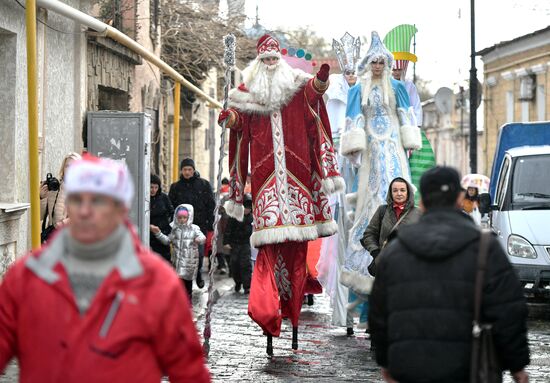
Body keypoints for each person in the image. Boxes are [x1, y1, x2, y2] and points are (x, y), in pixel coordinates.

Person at [0, 154, 210, 382]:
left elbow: (188, 370)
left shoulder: (156, 282)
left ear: (121, 208)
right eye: (80, 199)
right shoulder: (28, 276)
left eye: (101, 201)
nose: (89, 211)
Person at [218, 34, 343, 351]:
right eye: (266, 60)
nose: (271, 64)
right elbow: (239, 123)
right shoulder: (248, 94)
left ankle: (294, 318)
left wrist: (323, 79)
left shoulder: (297, 87)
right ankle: (266, 313)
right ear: (259, 64)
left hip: (298, 183)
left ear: (281, 61)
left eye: (275, 59)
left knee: (297, 258)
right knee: (269, 257)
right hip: (266, 186)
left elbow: (314, 93)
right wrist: (230, 117)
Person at [369, 166, 530, 383]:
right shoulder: (485, 248)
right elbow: (508, 310)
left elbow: (379, 313)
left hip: (410, 366)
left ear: (423, 203)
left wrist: (385, 361)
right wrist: (517, 365)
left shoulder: (395, 250)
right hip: (469, 367)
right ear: (458, 199)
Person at [339, 31, 421, 296]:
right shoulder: (358, 90)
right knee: (372, 198)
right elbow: (354, 120)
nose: (377, 66)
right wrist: (356, 149)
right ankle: (368, 261)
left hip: (394, 147)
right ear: (368, 63)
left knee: (399, 190)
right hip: (372, 152)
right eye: (373, 62)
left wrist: (408, 145)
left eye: (381, 62)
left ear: (386, 64)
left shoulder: (396, 87)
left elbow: (407, 116)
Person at [384, 24, 436, 205]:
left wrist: (415, 131)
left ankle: (417, 200)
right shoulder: (381, 86)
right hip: (388, 131)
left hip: (409, 130)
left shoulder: (409, 86)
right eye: (394, 69)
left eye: (399, 70)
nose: (396, 72)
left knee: (423, 161)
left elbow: (416, 109)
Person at [168, 158, 215, 289]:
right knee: (182, 255)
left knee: (198, 254)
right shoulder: (176, 187)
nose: (187, 172)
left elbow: (211, 205)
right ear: (181, 171)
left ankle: (198, 273)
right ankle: (184, 284)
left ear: (194, 170)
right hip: (181, 228)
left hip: (199, 226)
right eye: (185, 170)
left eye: (189, 169)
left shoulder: (204, 185)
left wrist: (210, 224)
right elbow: (172, 207)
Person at [361, 177, 421, 277]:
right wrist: (376, 252)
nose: (399, 193)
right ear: (390, 192)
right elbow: (369, 234)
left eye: (402, 190)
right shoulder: (382, 210)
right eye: (395, 190)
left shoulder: (418, 213)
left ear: (408, 192)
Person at [151, 204, 205, 304]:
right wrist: (158, 233)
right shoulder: (175, 230)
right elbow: (167, 241)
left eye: (184, 217)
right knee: (178, 283)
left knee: (187, 283)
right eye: (179, 217)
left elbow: (202, 237)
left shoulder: (194, 228)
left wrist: (199, 239)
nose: (182, 220)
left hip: (189, 261)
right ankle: (180, 302)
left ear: (189, 217)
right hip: (177, 261)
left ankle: (188, 303)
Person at [39, 152, 81, 242]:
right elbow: (40, 216)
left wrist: (63, 223)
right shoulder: (54, 187)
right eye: (67, 166)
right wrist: (42, 197)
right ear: (63, 168)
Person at [223, 196, 253, 294]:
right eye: (246, 208)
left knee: (245, 265)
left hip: (246, 244)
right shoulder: (234, 217)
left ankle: (247, 286)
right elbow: (228, 229)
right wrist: (226, 242)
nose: (247, 210)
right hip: (234, 244)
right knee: (234, 264)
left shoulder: (252, 218)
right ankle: (238, 282)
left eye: (249, 208)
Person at [149, 174, 174, 262]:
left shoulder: (163, 198)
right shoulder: (143, 198)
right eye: (151, 187)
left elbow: (172, 212)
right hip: (148, 235)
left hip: (163, 234)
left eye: (156, 187)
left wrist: (169, 228)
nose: (153, 190)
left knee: (164, 260)